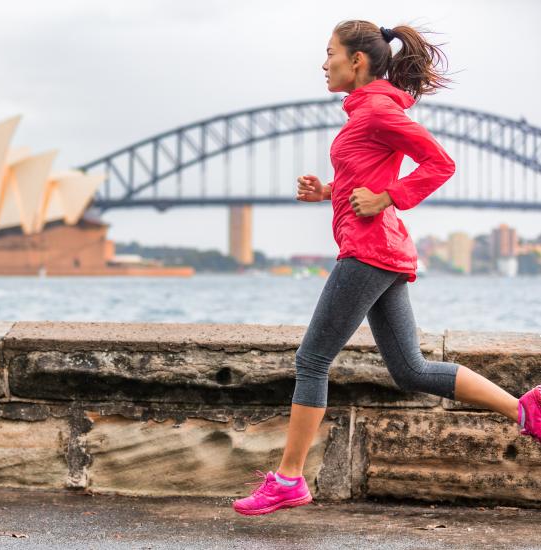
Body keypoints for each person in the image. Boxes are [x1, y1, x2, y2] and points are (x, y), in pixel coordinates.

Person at [232, 19, 541, 517]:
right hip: (382, 250)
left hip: (369, 251)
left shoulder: (375, 109)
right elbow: (366, 179)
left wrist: (388, 196)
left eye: (329, 52)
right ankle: (525, 409)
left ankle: (288, 479)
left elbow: (440, 163)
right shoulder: (366, 112)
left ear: (357, 61)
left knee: (311, 361)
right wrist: (330, 193)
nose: (323, 62)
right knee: (410, 369)